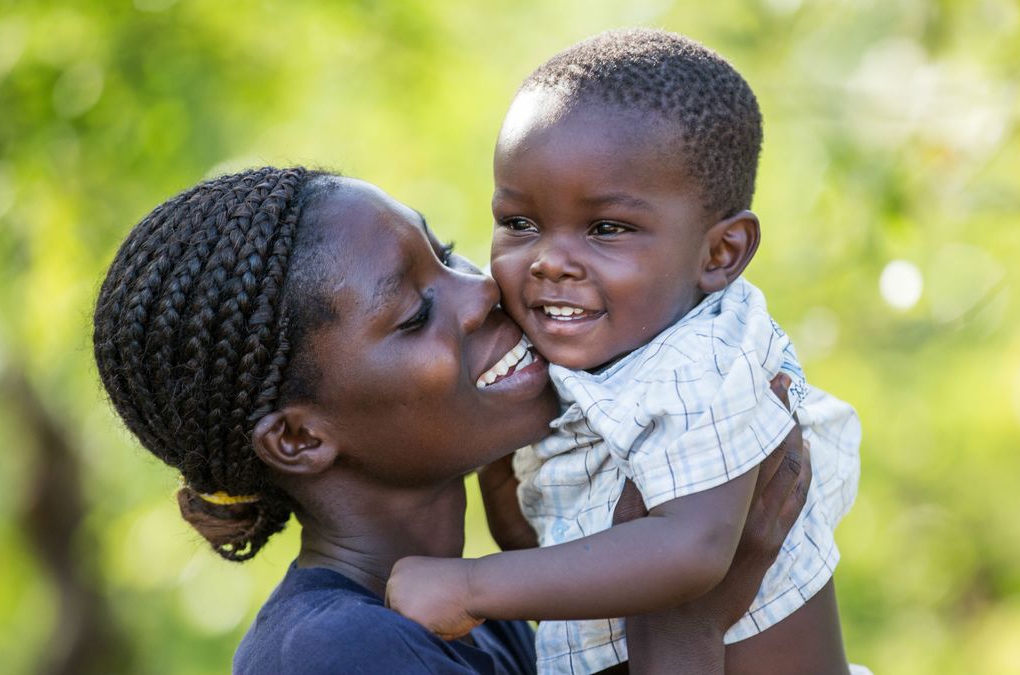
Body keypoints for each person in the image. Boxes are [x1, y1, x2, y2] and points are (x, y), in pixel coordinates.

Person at [91, 167, 818, 674]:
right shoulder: (332, 655)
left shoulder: (481, 607)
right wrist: (690, 611)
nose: (481, 291)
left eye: (443, 253)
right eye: (415, 313)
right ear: (300, 438)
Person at [385, 29, 862, 675]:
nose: (550, 260)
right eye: (520, 223)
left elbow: (693, 550)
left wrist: (472, 586)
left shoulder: (707, 359)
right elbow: (556, 543)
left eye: (607, 229)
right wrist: (498, 458)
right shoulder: (591, 352)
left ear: (720, 253)